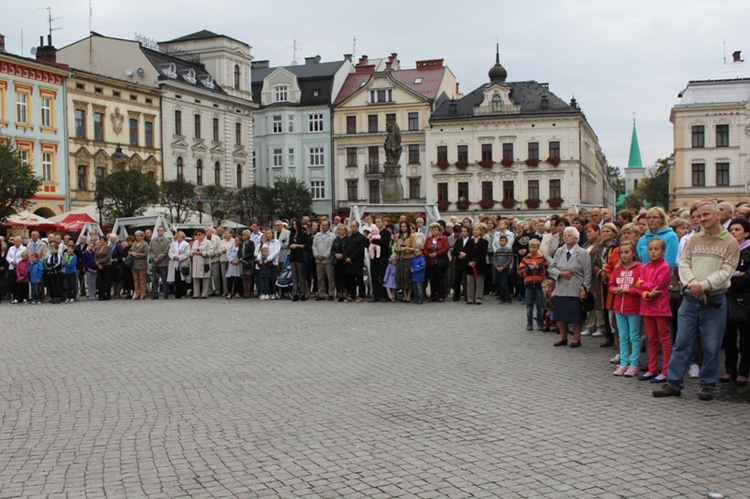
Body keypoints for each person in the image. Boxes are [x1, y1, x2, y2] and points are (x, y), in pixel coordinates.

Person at [654, 200, 740, 401]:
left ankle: (707, 385)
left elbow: (727, 271)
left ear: (718, 215)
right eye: (698, 216)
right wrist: (693, 284)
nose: (701, 219)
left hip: (714, 300)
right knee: (681, 342)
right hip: (691, 298)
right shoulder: (692, 239)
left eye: (705, 215)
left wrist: (704, 285)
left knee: (711, 345)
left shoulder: (730, 243)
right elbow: (683, 263)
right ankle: (673, 383)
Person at [548, 227, 592, 348]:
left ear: (576, 238)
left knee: (576, 315)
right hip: (561, 287)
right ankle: (563, 337)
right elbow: (551, 268)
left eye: (569, 235)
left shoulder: (582, 253)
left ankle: (576, 338)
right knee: (560, 314)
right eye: (565, 235)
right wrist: (560, 273)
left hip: (576, 288)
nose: (566, 237)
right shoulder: (559, 251)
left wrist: (584, 288)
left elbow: (587, 273)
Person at [720, 217, 750, 385]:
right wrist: (738, 274)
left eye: (737, 230)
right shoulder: (728, 250)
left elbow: (748, 277)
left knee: (745, 337)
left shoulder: (748, 251)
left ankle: (744, 372)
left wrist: (730, 277)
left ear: (746, 233)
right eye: (731, 230)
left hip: (745, 298)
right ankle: (730, 370)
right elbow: (720, 270)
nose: (733, 232)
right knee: (728, 336)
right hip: (727, 296)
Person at [609, 241, 643, 377]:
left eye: (627, 252)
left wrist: (629, 290)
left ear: (633, 253)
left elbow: (641, 287)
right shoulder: (617, 269)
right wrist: (615, 289)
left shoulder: (640, 268)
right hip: (619, 308)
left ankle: (634, 363)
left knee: (634, 336)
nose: (624, 255)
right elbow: (611, 284)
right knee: (623, 336)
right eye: (621, 252)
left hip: (633, 308)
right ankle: (623, 362)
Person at [518, 239, 548, 330]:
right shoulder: (525, 259)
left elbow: (545, 271)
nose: (532, 249)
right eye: (530, 247)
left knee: (540, 306)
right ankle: (529, 323)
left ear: (538, 248)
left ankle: (540, 323)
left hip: (539, 284)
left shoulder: (542, 258)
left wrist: (538, 267)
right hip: (529, 284)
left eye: (534, 247)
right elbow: (521, 272)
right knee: (529, 306)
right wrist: (529, 268)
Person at [424, 223, 449, 302]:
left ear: (439, 231)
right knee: (432, 279)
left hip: (440, 261)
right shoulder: (428, 239)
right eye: (432, 229)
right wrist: (429, 254)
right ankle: (433, 295)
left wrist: (436, 253)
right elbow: (424, 249)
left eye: (436, 229)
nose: (434, 231)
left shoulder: (444, 238)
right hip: (430, 261)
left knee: (440, 279)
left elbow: (446, 248)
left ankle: (441, 295)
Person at [343, 220, 368, 302]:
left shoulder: (362, 237)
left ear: (357, 227)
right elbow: (345, 248)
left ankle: (361, 296)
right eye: (351, 226)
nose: (352, 227)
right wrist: (346, 257)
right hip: (348, 261)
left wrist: (351, 258)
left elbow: (360, 250)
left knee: (360, 279)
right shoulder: (349, 237)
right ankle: (352, 295)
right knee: (351, 279)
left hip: (357, 261)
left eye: (354, 226)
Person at [464, 225, 489, 305]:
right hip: (469, 265)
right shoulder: (469, 241)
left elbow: (483, 254)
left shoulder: (484, 242)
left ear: (480, 231)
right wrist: (469, 262)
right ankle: (470, 298)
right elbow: (467, 253)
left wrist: (476, 262)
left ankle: (478, 298)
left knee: (479, 283)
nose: (475, 231)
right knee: (470, 283)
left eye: (477, 230)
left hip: (480, 264)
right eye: (474, 230)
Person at [312, 220, 336, 301]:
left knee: (330, 278)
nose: (323, 227)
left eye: (325, 225)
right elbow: (314, 246)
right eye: (322, 225)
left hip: (328, 260)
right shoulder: (317, 235)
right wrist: (316, 255)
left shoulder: (332, 236)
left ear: (329, 226)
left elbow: (331, 247)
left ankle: (331, 294)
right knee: (320, 279)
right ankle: (321, 294)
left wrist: (325, 255)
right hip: (318, 260)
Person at [395, 221, 417, 302]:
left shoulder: (412, 236)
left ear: (407, 227)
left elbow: (415, 248)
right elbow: (396, 247)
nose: (403, 228)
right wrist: (396, 249)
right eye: (401, 226)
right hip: (400, 258)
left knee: (408, 276)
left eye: (404, 226)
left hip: (409, 258)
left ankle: (409, 295)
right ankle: (404, 294)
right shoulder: (398, 237)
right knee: (401, 276)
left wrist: (406, 248)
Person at [289, 220, 310, 301]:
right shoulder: (292, 234)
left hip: (300, 256)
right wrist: (291, 246)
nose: (294, 226)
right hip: (293, 255)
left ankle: (303, 293)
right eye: (293, 224)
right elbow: (289, 244)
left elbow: (306, 245)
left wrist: (297, 245)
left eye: (295, 224)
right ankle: (295, 293)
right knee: (294, 276)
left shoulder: (303, 234)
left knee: (301, 275)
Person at [190, 228, 213, 299]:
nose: (198, 236)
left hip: (204, 262)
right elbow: (190, 251)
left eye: (200, 234)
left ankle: (204, 294)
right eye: (197, 234)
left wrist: (202, 252)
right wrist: (194, 252)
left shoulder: (208, 242)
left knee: (205, 279)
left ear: (204, 234)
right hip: (196, 262)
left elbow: (211, 252)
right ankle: (196, 294)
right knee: (195, 278)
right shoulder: (195, 242)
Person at [168, 231, 191, 299]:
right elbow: (170, 252)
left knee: (183, 279)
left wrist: (179, 257)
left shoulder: (186, 244)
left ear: (183, 237)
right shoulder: (173, 244)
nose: (179, 237)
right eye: (178, 236)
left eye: (180, 236)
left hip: (183, 263)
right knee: (176, 279)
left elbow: (187, 254)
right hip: (175, 263)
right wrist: (174, 256)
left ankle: (183, 294)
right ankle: (176, 294)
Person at [130, 231, 149, 300]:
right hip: (134, 264)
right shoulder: (134, 243)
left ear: (142, 236)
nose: (138, 237)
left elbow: (146, 254)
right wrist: (131, 253)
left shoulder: (145, 244)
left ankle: (143, 293)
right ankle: (137, 293)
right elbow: (130, 250)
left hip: (141, 264)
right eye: (136, 236)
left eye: (139, 236)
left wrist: (136, 255)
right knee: (136, 280)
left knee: (142, 280)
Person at [332, 224, 348, 302]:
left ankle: (346, 293)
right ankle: (340, 293)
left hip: (344, 262)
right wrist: (335, 254)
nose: (340, 231)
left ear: (345, 231)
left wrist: (342, 255)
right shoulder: (336, 239)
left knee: (344, 278)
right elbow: (332, 249)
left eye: (342, 229)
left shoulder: (347, 239)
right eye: (339, 230)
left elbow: (348, 250)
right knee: (338, 278)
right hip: (336, 261)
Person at [239, 230, 256, 299]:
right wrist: (240, 258)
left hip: (248, 261)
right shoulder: (241, 244)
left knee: (248, 277)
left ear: (248, 236)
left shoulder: (251, 243)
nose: (244, 236)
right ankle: (245, 292)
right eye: (243, 235)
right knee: (244, 277)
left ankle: (249, 292)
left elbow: (251, 252)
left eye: (245, 235)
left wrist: (244, 258)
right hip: (242, 261)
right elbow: (239, 252)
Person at [225, 234, 243, 299]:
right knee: (230, 279)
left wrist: (238, 261)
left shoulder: (241, 247)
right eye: (235, 240)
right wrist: (232, 260)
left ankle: (237, 293)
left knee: (238, 279)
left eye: (237, 240)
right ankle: (229, 293)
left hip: (238, 264)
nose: (236, 241)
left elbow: (242, 255)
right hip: (231, 264)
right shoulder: (231, 247)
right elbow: (228, 255)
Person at [109, 234, 125, 299]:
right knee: (113, 279)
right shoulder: (110, 246)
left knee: (119, 279)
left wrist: (115, 259)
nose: (111, 239)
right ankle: (114, 292)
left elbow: (122, 254)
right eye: (110, 238)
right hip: (111, 264)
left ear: (116, 239)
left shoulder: (119, 246)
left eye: (112, 238)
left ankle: (118, 292)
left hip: (118, 264)